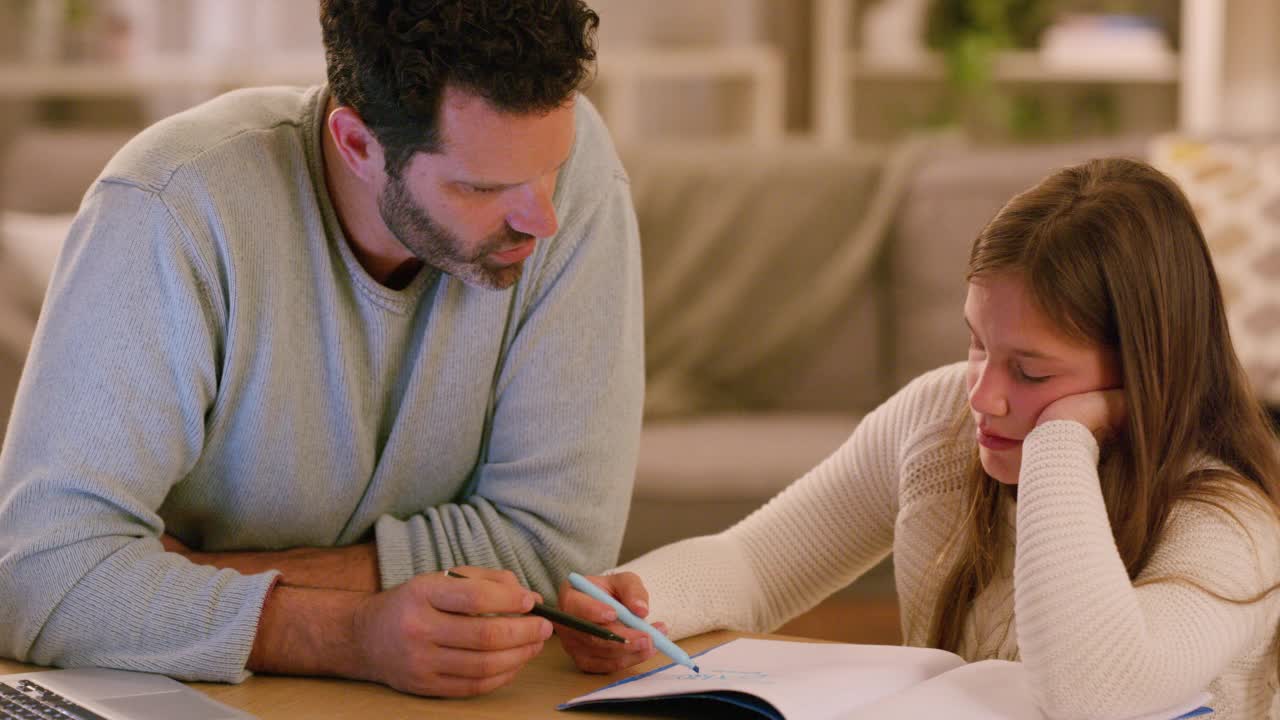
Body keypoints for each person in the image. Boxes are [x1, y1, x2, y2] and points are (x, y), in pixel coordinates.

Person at [0, 0, 643, 699]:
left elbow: (555, 555)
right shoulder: (170, 206)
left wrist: (180, 582)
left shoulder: (574, 183)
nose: (541, 217)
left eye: (554, 164)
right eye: (481, 187)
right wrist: (346, 632)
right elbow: (35, 575)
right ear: (358, 145)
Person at [559, 158, 1280, 719]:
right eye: (977, 344)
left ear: (1141, 373)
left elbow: (1090, 692)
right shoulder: (940, 421)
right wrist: (642, 600)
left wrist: (1063, 441)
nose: (982, 395)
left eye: (1030, 371)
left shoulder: (1231, 524)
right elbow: (759, 562)